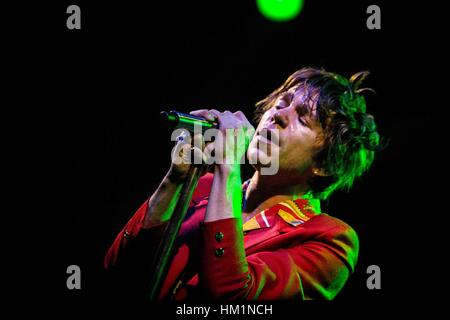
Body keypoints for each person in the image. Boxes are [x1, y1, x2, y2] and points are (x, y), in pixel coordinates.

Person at [104, 67, 381, 300]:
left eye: (303, 118)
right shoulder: (202, 186)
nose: (278, 115)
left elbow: (233, 295)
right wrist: (174, 180)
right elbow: (118, 267)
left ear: (325, 165)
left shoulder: (328, 239)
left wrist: (228, 165)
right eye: (281, 103)